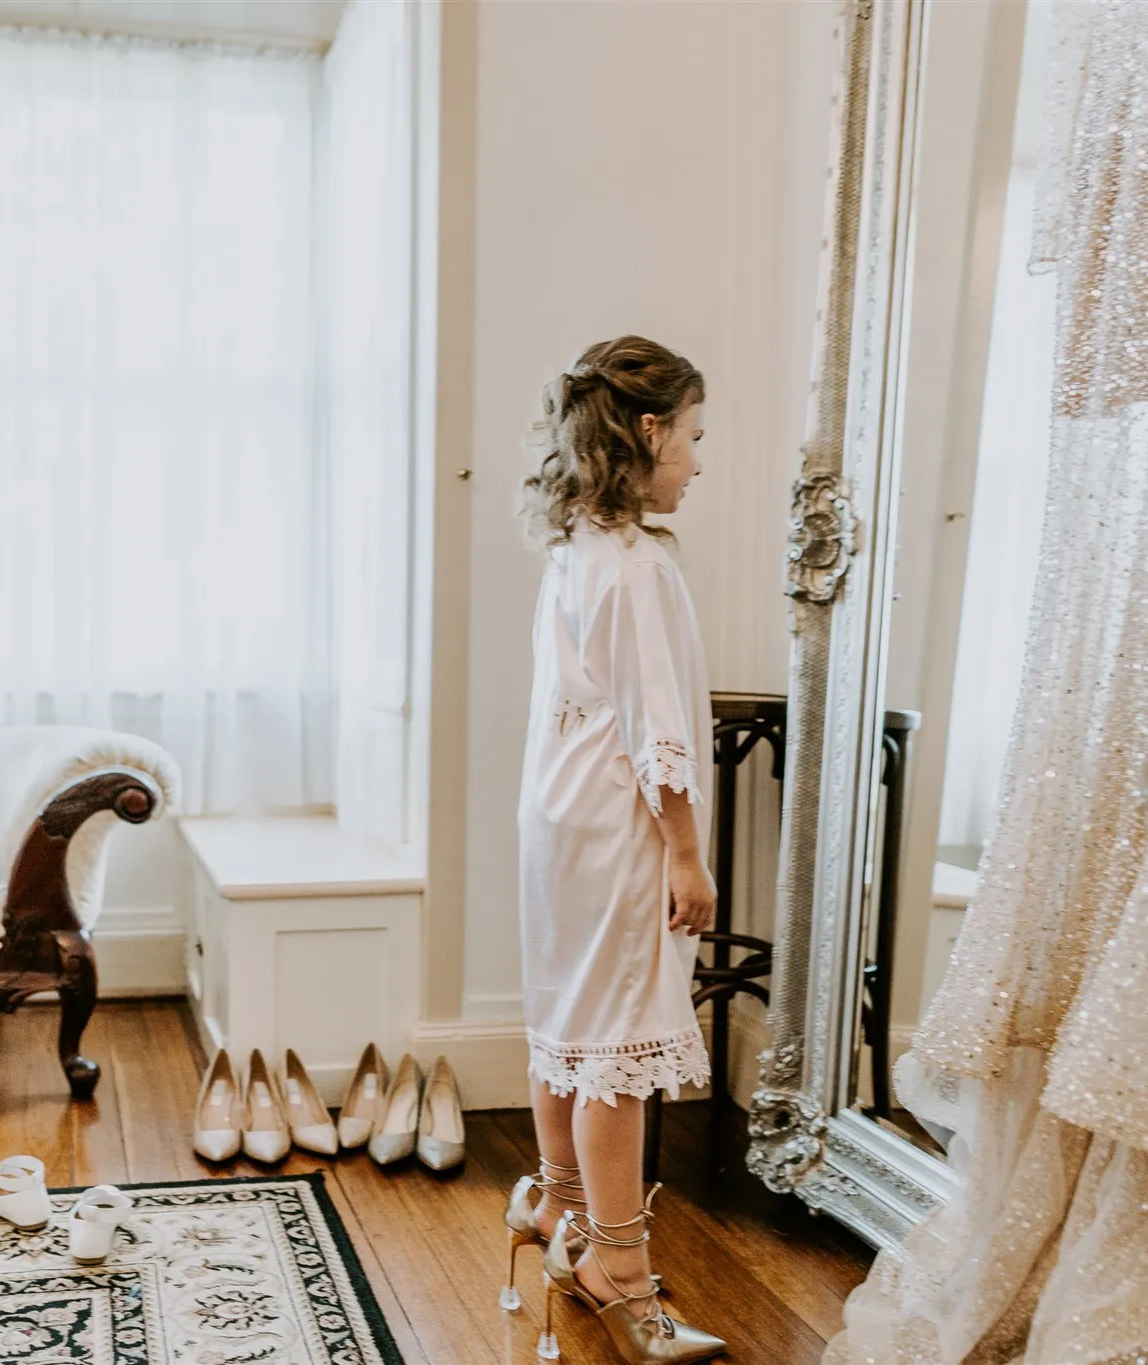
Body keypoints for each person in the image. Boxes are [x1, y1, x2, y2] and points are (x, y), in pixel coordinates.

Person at [507, 337, 727, 1362]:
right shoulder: (634, 567)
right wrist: (684, 854)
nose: (694, 459)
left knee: (568, 1023)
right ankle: (623, 1281)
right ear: (646, 433)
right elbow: (659, 732)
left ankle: (557, 1214)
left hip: (556, 819)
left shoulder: (576, 545)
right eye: (689, 436)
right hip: (616, 825)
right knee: (618, 1052)